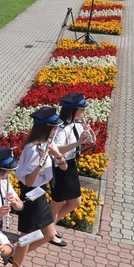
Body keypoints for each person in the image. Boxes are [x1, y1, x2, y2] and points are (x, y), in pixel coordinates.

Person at [10, 106, 68, 267]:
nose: (56, 129)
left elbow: (64, 167)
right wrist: (40, 164)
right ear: (46, 128)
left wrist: (58, 156)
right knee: (26, 234)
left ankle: (15, 257)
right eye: (54, 127)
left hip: (41, 192)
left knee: (48, 235)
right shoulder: (32, 149)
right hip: (31, 194)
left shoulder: (48, 144)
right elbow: (28, 181)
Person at [50, 93, 94, 243]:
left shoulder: (77, 123)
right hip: (61, 166)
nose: (84, 112)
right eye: (82, 109)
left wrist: (89, 135)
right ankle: (49, 232)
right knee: (57, 203)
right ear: (74, 110)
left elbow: (88, 142)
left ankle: (49, 228)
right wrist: (77, 143)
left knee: (75, 201)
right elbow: (56, 149)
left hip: (71, 164)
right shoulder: (62, 128)